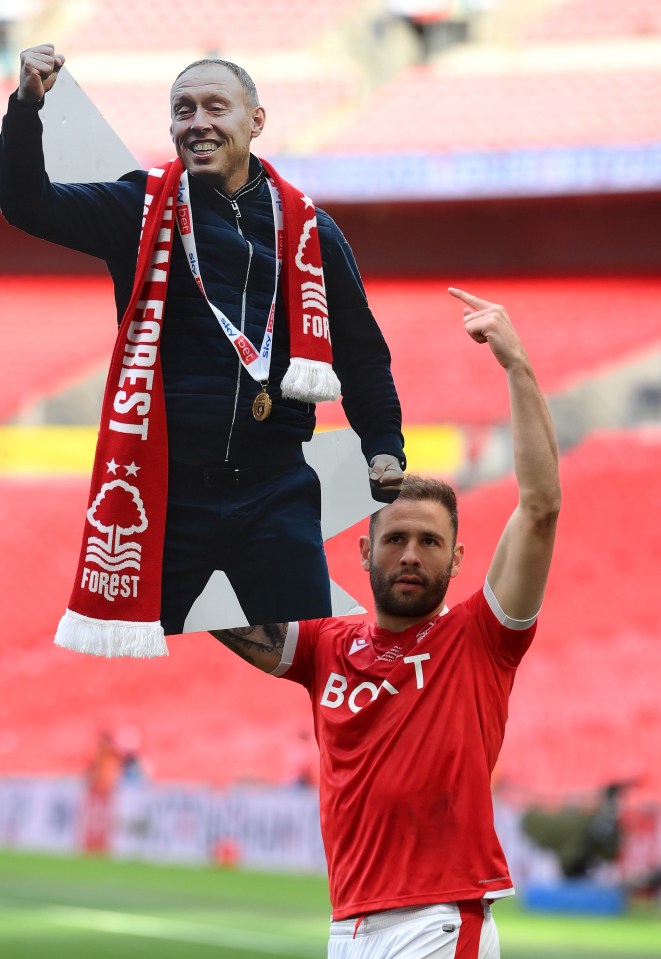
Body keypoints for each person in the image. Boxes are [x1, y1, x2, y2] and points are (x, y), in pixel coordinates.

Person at [0, 45, 405, 642]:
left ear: (255, 121)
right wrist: (26, 106)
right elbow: (27, 203)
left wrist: (384, 443)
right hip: (170, 497)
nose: (198, 123)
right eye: (183, 110)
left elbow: (359, 349)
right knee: (137, 659)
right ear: (171, 128)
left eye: (217, 107)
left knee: (318, 660)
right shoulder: (137, 207)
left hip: (278, 492)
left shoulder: (311, 230)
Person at [211, 288, 561, 958]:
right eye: (395, 538)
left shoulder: (481, 637)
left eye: (429, 542)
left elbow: (540, 506)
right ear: (363, 549)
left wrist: (517, 366)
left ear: (458, 559)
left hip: (436, 918)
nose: (409, 553)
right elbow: (221, 607)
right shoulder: (326, 645)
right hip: (347, 924)